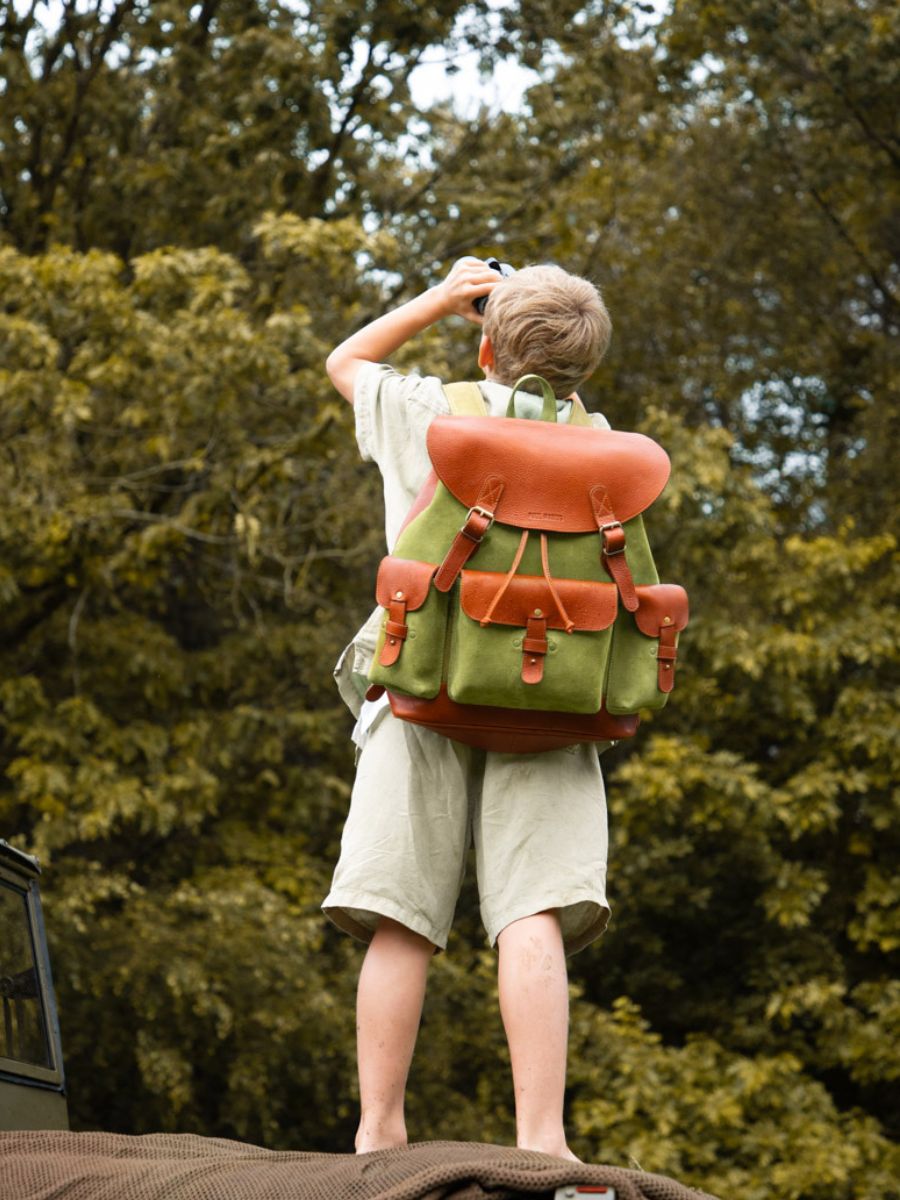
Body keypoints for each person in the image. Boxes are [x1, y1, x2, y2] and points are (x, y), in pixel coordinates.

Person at [322, 257, 614, 1159]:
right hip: (549, 704)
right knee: (530, 915)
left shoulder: (430, 412)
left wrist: (447, 293)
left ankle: (380, 1133)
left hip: (421, 694)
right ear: (585, 367)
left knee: (403, 918)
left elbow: (345, 359)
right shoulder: (605, 445)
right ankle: (543, 1140)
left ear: (485, 341)